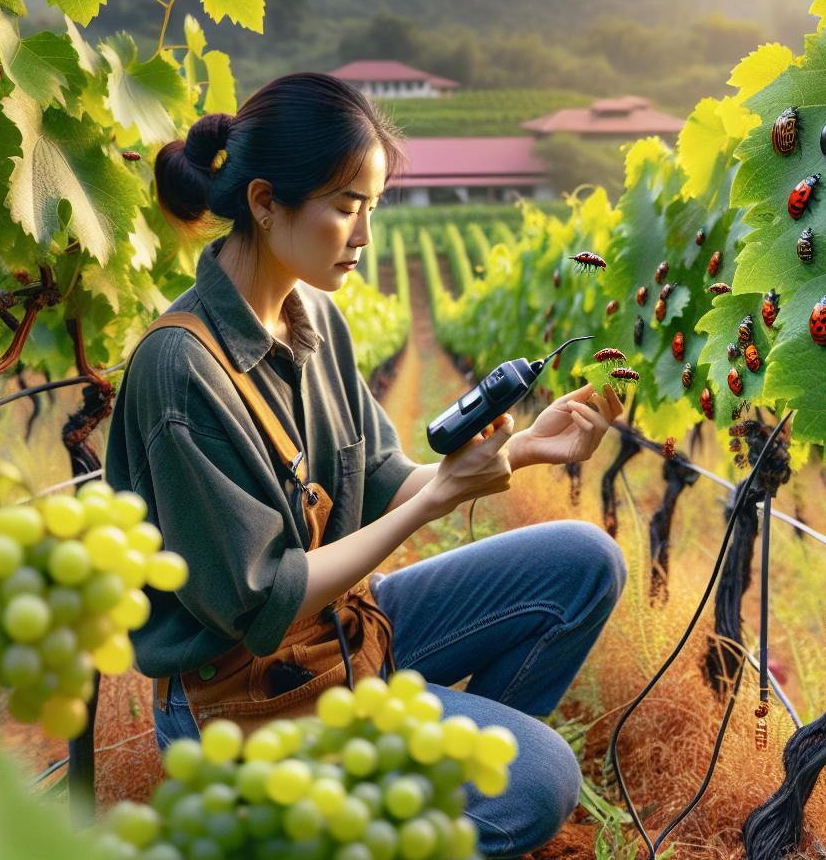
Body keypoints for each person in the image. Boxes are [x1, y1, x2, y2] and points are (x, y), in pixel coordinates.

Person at [104, 73, 627, 858]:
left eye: (372, 209)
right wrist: (438, 499)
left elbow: (387, 477)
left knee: (584, 562)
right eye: (347, 208)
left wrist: (524, 448)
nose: (364, 236)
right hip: (243, 702)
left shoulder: (314, 318)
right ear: (264, 202)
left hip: (344, 643)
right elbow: (260, 606)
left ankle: (406, 795)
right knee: (538, 779)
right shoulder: (183, 371)